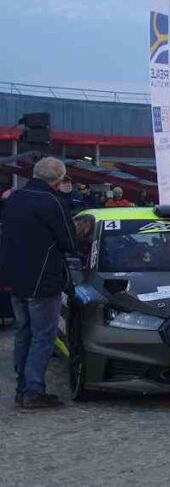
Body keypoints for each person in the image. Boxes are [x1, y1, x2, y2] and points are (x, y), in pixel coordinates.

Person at [0, 157, 77, 409]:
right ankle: (34, 390)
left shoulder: (14, 198)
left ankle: (22, 388)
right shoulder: (53, 202)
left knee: (23, 334)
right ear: (58, 179)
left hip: (14, 279)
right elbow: (69, 242)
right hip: (43, 281)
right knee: (43, 336)